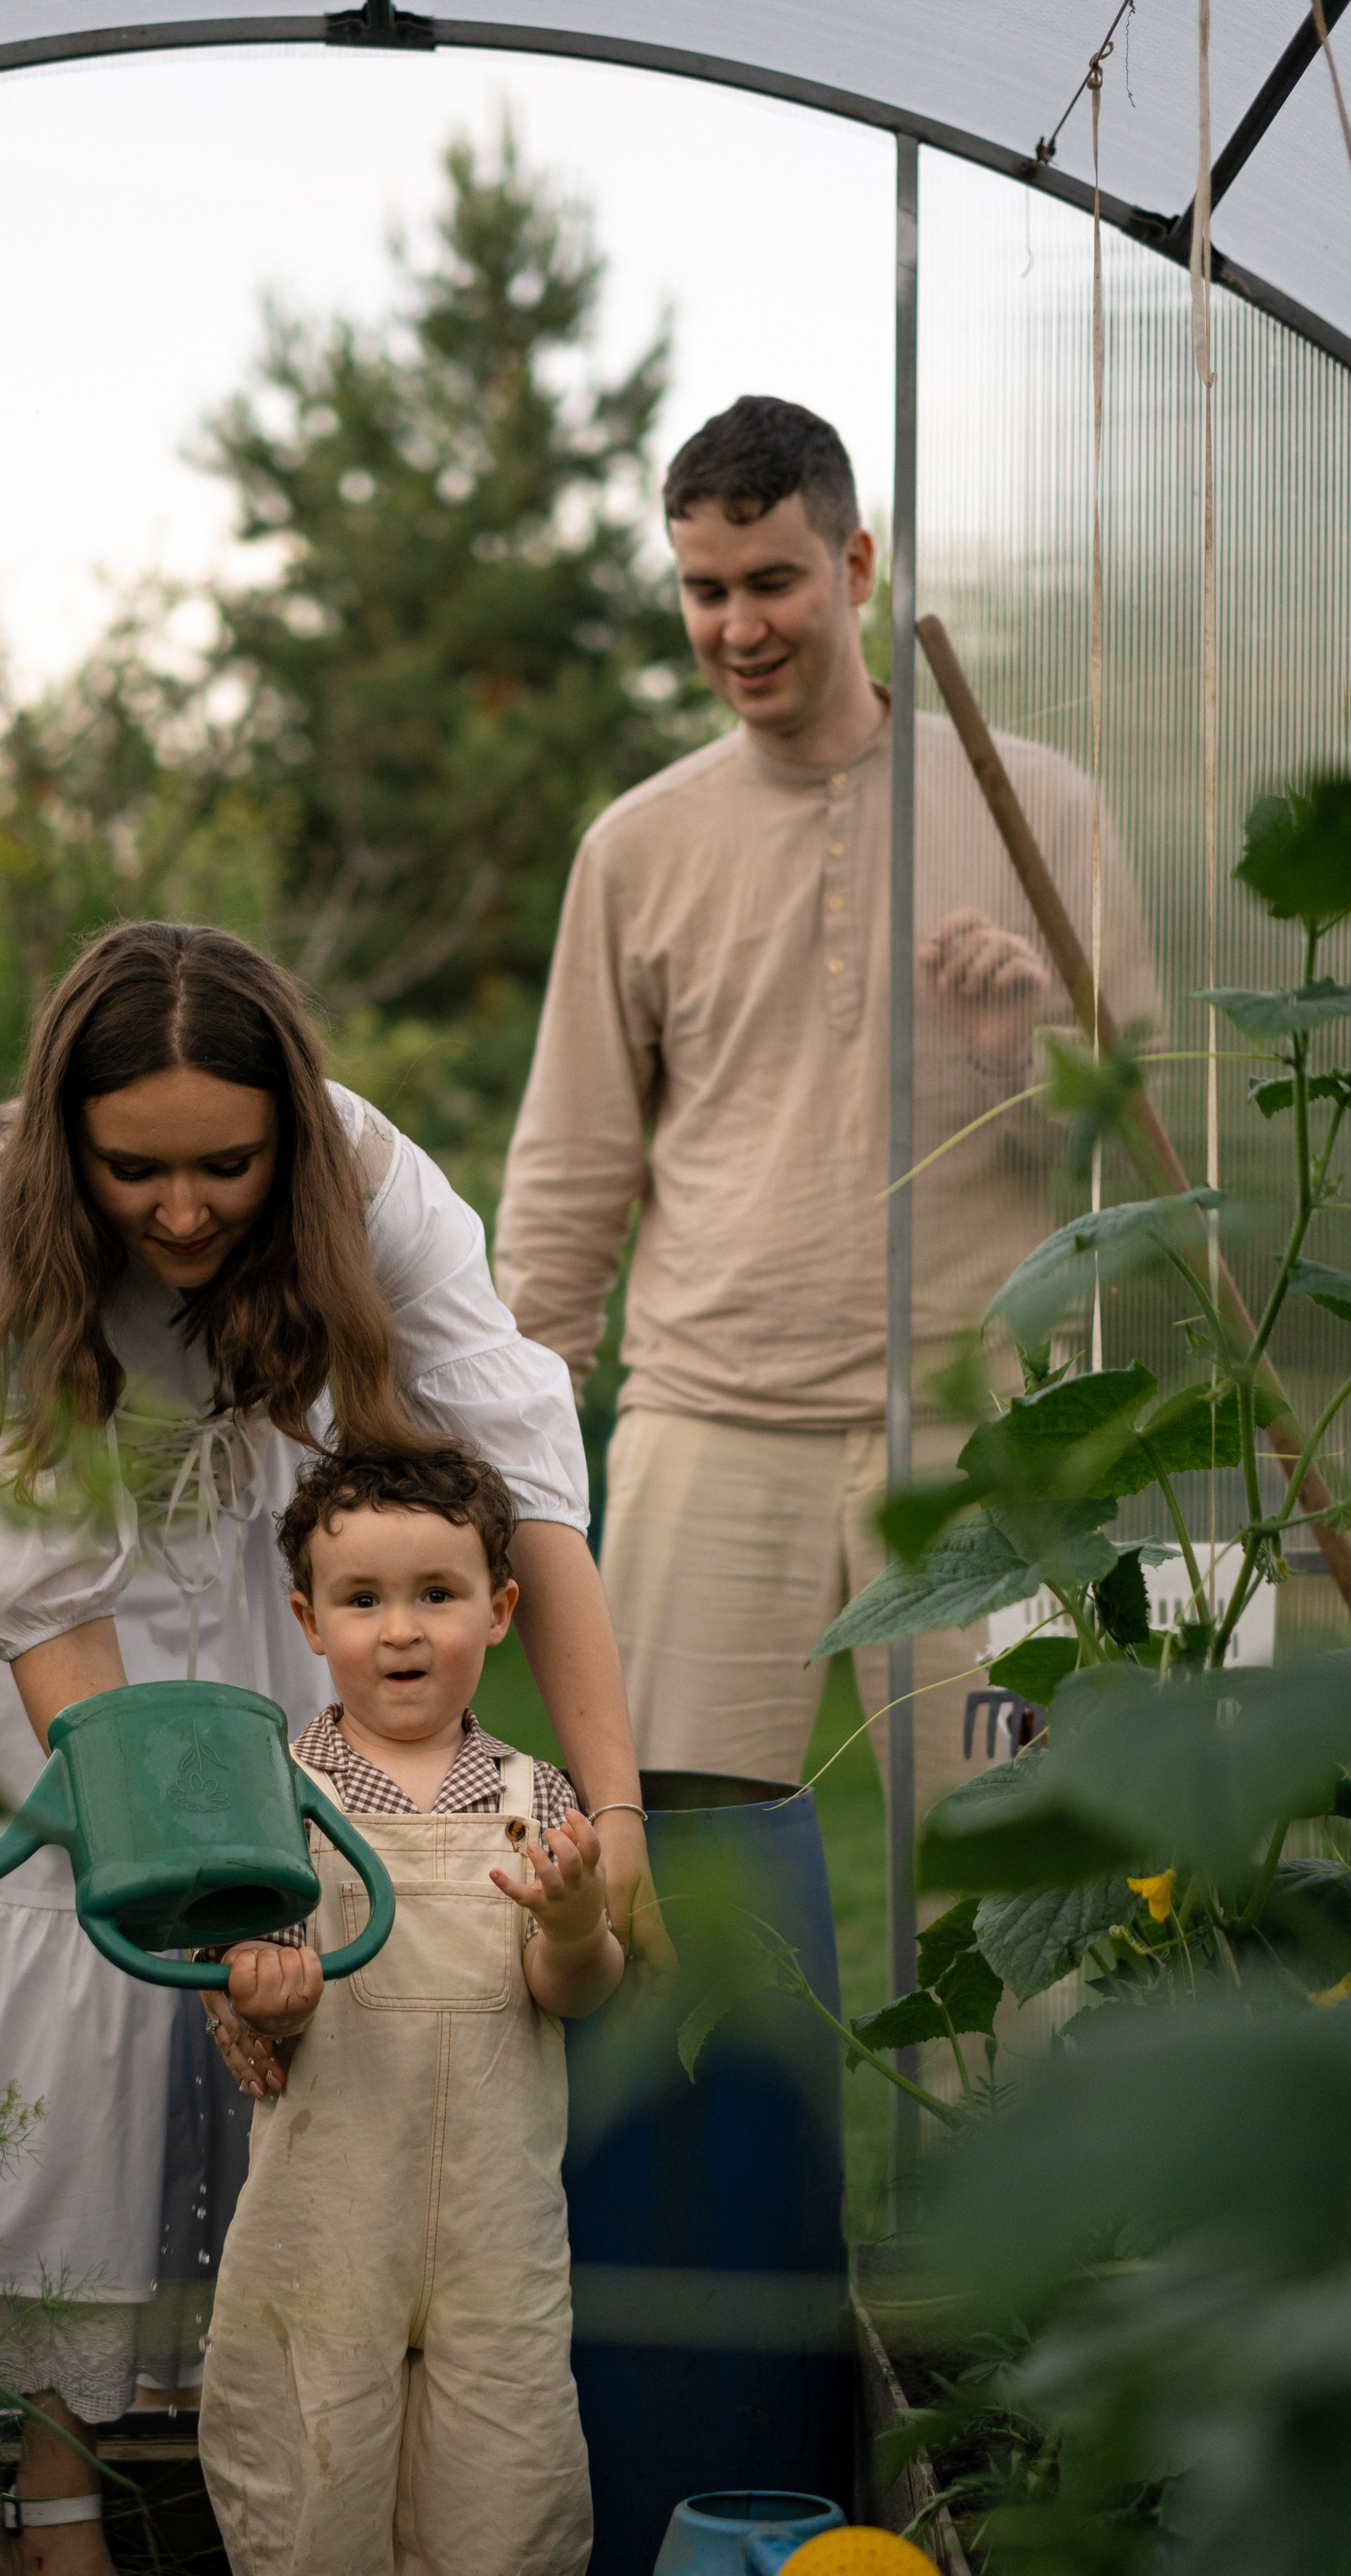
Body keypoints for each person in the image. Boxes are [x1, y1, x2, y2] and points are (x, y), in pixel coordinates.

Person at [0, 921, 653, 2576]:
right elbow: (35, 1582)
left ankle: (266, 2457)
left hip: (247, 1546)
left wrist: (618, 1807)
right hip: (32, 1586)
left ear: (291, 1135)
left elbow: (523, 1485)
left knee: (299, 1973)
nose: (183, 1210)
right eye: (135, 1170)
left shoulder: (371, 1184)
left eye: (226, 1165)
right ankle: (46, 2514)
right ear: (70, 1144)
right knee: (81, 2008)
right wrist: (162, 1870)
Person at [494, 394, 1155, 1816]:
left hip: (987, 1431)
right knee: (678, 1864)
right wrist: (511, 1450)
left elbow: (1135, 1153)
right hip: (707, 1425)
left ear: (857, 566)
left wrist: (1016, 1051)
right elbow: (570, 1172)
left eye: (772, 581)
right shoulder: (635, 846)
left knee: (1018, 1870)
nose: (737, 627)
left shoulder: (1040, 807)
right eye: (705, 590)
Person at [195, 1441, 622, 2576]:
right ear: (307, 1618)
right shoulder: (277, 1794)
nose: (400, 1631)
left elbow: (572, 1993)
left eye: (437, 1594)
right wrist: (263, 1988)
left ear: (501, 1608)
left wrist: (575, 1922)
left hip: (496, 2207)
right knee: (312, 2448)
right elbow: (249, 2004)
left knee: (508, 2454)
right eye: (363, 1599)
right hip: (332, 2206)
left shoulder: (537, 1796)